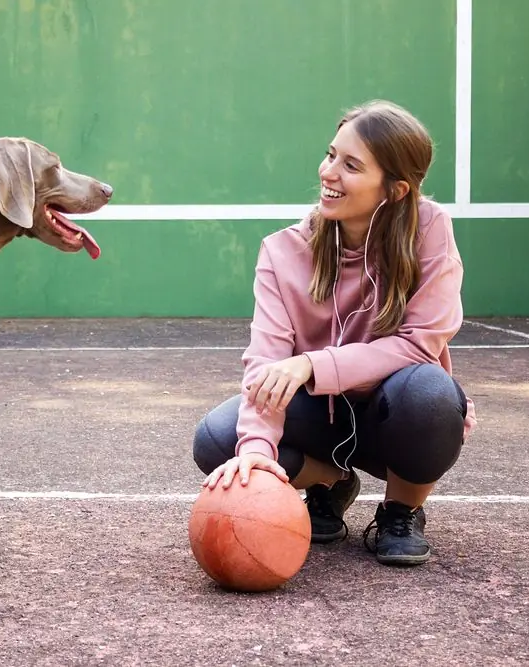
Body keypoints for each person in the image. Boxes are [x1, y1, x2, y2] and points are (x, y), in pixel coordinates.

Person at [192, 100, 476, 566]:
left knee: (430, 390)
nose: (329, 172)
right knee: (219, 441)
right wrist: (258, 452)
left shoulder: (430, 229)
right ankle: (330, 481)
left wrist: (312, 363)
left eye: (350, 165)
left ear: (395, 189)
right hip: (320, 418)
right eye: (330, 155)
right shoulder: (283, 251)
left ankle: (401, 510)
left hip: (395, 414)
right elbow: (264, 361)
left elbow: (420, 343)